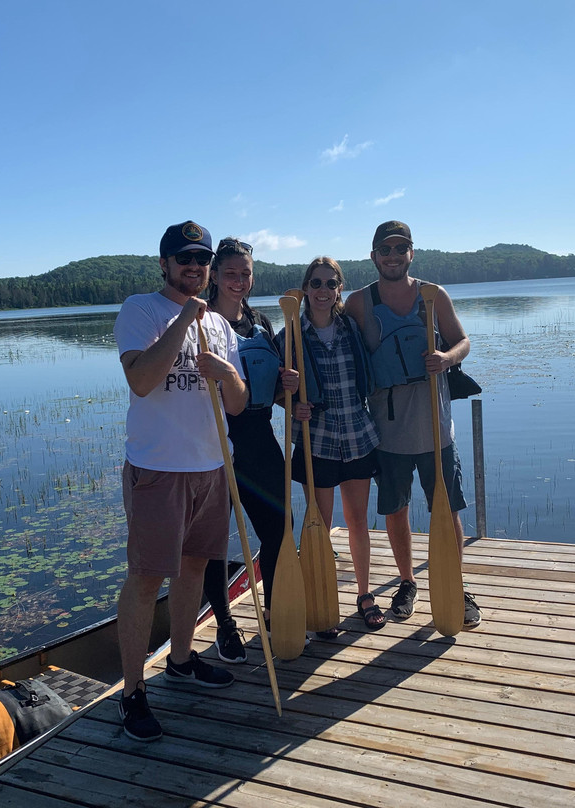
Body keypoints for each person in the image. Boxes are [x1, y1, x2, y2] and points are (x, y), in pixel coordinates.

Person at [112, 220, 247, 742]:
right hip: (158, 469)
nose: (195, 267)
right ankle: (131, 693)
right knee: (147, 579)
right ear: (164, 264)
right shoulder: (140, 310)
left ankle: (183, 660)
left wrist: (227, 374)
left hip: (212, 468)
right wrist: (185, 318)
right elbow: (143, 381)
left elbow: (236, 403)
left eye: (202, 259)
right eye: (184, 258)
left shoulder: (222, 327)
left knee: (195, 571)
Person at [344, 220, 482, 629]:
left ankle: (453, 584)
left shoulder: (433, 294)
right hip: (388, 435)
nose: (392, 256)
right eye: (384, 250)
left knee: (447, 508)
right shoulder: (358, 303)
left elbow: (464, 342)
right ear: (373, 256)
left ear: (411, 253)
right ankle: (407, 582)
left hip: (437, 428)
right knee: (396, 510)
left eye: (400, 248)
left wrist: (447, 358)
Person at [201, 236, 298, 661]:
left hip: (259, 437)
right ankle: (224, 626)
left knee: (279, 527)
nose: (239, 281)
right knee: (214, 541)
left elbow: (272, 388)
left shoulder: (260, 322)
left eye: (246, 274)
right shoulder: (200, 322)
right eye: (230, 274)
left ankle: (278, 613)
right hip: (214, 441)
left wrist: (287, 389)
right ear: (215, 277)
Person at [276, 257, 384, 632]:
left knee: (357, 523)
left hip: (357, 437)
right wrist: (291, 400)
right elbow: (277, 389)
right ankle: (320, 600)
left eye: (331, 283)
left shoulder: (350, 328)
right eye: (317, 283)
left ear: (339, 289)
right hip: (315, 441)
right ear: (306, 288)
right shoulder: (289, 333)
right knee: (317, 525)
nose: (323, 290)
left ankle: (365, 595)